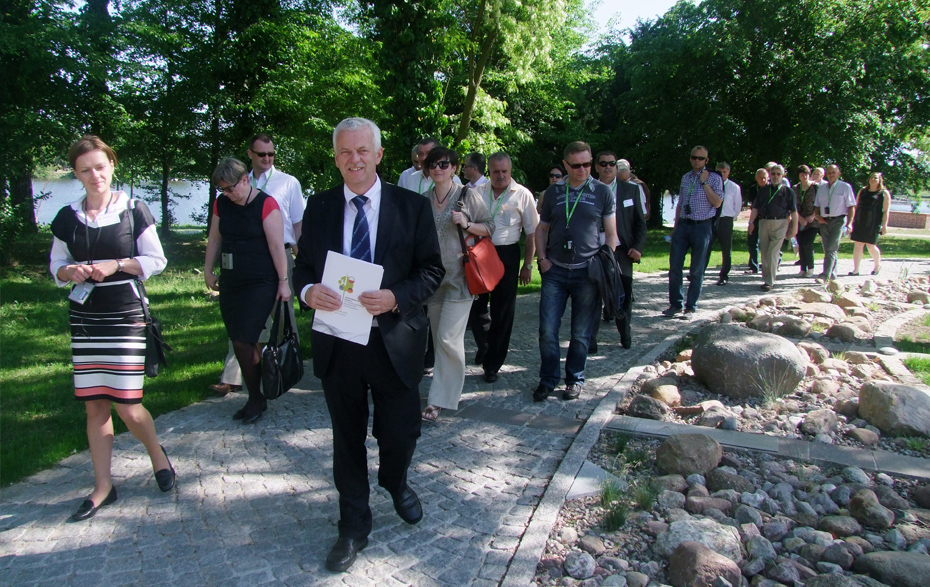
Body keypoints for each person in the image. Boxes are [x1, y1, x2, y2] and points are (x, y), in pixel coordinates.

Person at [293, 118, 444, 573]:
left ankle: (395, 480)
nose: (353, 159)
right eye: (344, 152)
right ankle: (353, 526)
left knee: (400, 434)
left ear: (379, 155)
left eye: (362, 151)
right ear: (335, 156)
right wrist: (307, 293)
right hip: (339, 343)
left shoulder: (412, 207)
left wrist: (397, 296)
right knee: (347, 440)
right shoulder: (318, 209)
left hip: (395, 341)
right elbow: (302, 272)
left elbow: (432, 271)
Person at [50, 135, 174, 522]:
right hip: (86, 318)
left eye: (100, 167)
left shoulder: (133, 209)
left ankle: (157, 454)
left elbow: (156, 260)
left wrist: (117, 265)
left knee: (128, 405)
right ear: (76, 173)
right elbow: (56, 265)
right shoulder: (67, 216)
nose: (94, 175)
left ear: (111, 165)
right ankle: (103, 486)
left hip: (124, 314)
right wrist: (70, 271)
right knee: (95, 405)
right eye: (85, 170)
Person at [210, 133, 305, 396]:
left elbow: (297, 221)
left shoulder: (288, 182)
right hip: (238, 267)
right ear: (250, 154)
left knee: (282, 323)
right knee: (243, 331)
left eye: (271, 154)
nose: (266, 158)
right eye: (261, 154)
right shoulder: (236, 181)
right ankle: (233, 376)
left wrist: (301, 254)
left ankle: (285, 367)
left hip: (279, 255)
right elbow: (216, 236)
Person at [204, 158, 291, 424]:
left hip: (260, 282)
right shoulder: (222, 204)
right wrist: (208, 270)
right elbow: (215, 238)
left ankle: (256, 396)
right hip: (232, 281)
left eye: (230, 188)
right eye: (222, 189)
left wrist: (283, 281)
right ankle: (257, 395)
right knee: (241, 339)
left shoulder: (266, 204)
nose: (227, 194)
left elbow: (278, 247)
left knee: (244, 338)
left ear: (244, 180)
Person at [534, 141, 616, 402]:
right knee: (547, 329)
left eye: (587, 164)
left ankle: (574, 379)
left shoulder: (602, 192)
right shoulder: (553, 192)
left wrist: (605, 265)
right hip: (555, 270)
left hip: (587, 272)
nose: (583, 169)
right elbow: (541, 228)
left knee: (581, 332)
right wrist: (542, 258)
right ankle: (548, 379)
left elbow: (611, 235)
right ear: (566, 165)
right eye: (577, 165)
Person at [419, 147, 493, 420]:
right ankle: (443, 391)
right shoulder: (423, 200)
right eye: (433, 164)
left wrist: (467, 223)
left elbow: (490, 227)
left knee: (449, 338)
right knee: (439, 341)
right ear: (427, 169)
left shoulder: (467, 195)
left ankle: (438, 400)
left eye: (444, 164)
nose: (438, 168)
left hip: (461, 279)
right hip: (433, 280)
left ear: (453, 168)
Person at [472, 152, 539, 382]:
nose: (500, 176)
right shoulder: (477, 192)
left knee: (503, 312)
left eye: (504, 171)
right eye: (496, 171)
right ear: (488, 171)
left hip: (506, 254)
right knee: (475, 308)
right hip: (479, 253)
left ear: (510, 171)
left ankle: (492, 365)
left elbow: (532, 233)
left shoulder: (522, 195)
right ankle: (486, 345)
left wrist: (528, 265)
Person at [662, 145, 723, 319]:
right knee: (674, 267)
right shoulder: (686, 178)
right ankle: (675, 304)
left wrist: (705, 183)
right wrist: (675, 227)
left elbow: (717, 203)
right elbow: (680, 203)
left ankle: (691, 307)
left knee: (696, 270)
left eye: (700, 158)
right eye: (694, 157)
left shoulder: (714, 179)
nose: (697, 161)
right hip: (683, 225)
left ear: (707, 161)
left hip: (702, 226)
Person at [611, 168, 647, 349]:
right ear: (597, 167)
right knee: (592, 293)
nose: (607, 167)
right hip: (596, 250)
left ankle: (625, 335)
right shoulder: (590, 188)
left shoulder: (631, 190)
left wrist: (638, 248)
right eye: (603, 163)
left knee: (623, 293)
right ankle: (590, 341)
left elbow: (640, 222)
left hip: (623, 250)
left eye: (611, 163)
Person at [747, 164, 798, 291]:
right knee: (764, 251)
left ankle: (770, 281)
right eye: (773, 173)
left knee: (773, 252)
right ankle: (766, 278)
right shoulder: (763, 190)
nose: (775, 176)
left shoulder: (788, 192)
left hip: (781, 223)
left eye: (778, 174)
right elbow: (755, 208)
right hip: (764, 222)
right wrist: (751, 222)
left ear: (782, 176)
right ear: (770, 175)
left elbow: (794, 211)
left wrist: (794, 227)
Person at [814, 164, 856, 282]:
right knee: (828, 248)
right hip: (824, 221)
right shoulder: (822, 188)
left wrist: (849, 223)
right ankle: (833, 275)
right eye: (829, 173)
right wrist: (818, 216)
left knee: (831, 248)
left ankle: (824, 275)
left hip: (838, 221)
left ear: (838, 173)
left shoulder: (845, 187)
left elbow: (851, 206)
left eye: (833, 172)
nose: (831, 175)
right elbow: (817, 206)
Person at [849, 172, 891, 276]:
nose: (873, 179)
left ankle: (877, 265)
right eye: (871, 177)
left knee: (871, 245)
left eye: (875, 178)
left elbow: (886, 211)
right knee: (858, 244)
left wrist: (884, 225)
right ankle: (856, 269)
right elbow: (856, 205)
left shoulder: (883, 193)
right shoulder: (863, 190)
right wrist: (851, 221)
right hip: (860, 220)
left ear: (880, 180)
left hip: (873, 222)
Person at [709, 162, 741, 285]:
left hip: (726, 219)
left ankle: (724, 275)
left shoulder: (734, 187)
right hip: (712, 218)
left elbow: (737, 206)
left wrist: (731, 217)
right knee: (706, 246)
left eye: (724, 171)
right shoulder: (710, 185)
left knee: (726, 249)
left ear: (728, 172)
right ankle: (698, 272)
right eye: (719, 171)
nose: (721, 174)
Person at [794, 165, 820, 278]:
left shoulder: (816, 187)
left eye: (806, 174)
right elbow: (792, 205)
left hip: (812, 221)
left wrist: (813, 215)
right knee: (801, 243)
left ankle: (811, 267)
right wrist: (799, 218)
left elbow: (819, 203)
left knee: (808, 243)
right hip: (800, 220)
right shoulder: (795, 188)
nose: (804, 176)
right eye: (801, 174)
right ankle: (803, 268)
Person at [743, 168, 769, 275]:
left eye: (764, 178)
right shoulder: (754, 189)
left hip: (767, 218)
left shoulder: (771, 189)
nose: (763, 180)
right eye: (760, 178)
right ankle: (754, 266)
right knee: (752, 241)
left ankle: (768, 265)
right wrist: (751, 222)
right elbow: (753, 205)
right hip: (756, 217)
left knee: (767, 243)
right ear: (756, 178)